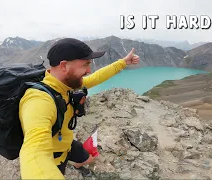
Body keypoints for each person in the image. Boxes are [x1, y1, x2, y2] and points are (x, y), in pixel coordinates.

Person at [18, 38, 140, 179]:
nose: (89, 70)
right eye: (85, 65)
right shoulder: (39, 100)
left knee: (88, 158)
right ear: (64, 66)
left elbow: (96, 77)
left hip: (66, 143)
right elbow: (34, 153)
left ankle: (77, 165)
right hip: (56, 157)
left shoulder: (65, 85)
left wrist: (123, 62)